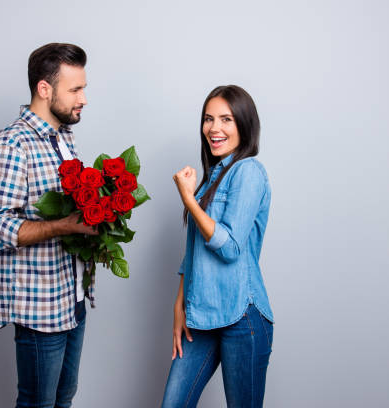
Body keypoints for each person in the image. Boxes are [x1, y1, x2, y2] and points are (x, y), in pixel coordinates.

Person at [0, 43, 97, 408]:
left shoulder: (63, 139)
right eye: (75, 90)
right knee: (38, 404)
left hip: (72, 297)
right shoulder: (11, 145)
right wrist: (65, 225)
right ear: (44, 89)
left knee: (64, 397)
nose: (84, 99)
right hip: (40, 307)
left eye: (83, 88)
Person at [162, 85, 274, 408]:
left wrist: (187, 200)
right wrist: (179, 303)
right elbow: (194, 249)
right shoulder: (212, 178)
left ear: (244, 124)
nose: (215, 128)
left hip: (242, 315)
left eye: (226, 119)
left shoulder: (249, 171)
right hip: (201, 316)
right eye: (209, 119)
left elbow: (230, 247)